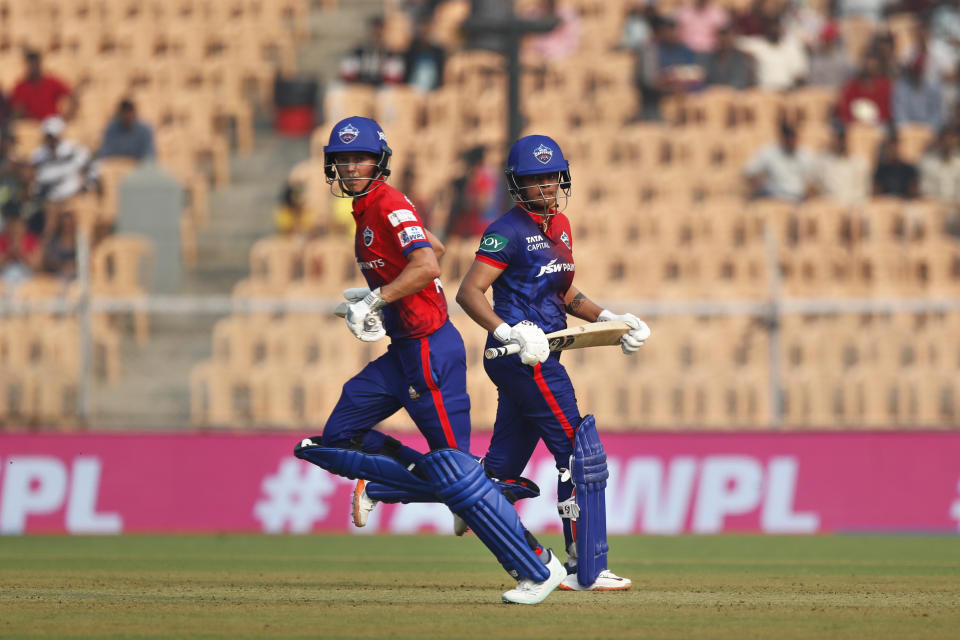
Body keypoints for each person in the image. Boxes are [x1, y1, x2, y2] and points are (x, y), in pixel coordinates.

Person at [293, 116, 565, 605]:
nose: (351, 168)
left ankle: (538, 567)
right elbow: (431, 246)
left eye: (360, 159)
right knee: (334, 438)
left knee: (457, 473)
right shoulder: (367, 209)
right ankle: (423, 484)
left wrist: (377, 301)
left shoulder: (389, 203)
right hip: (402, 351)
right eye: (342, 161)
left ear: (380, 163)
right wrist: (380, 293)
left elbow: (429, 264)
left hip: (430, 351)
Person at [455, 134, 651, 592]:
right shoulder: (507, 230)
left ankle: (449, 496)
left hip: (540, 354)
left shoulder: (560, 225)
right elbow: (468, 292)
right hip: (522, 358)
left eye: (549, 176)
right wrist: (508, 331)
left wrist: (609, 317)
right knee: (578, 455)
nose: (543, 186)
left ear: (562, 178)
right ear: (516, 184)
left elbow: (561, 294)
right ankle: (587, 567)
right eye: (532, 179)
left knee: (499, 471)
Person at [743, 121, 819, 201]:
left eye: (793, 138)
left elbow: (814, 179)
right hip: (771, 196)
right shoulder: (769, 151)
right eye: (788, 138)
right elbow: (749, 171)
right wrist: (757, 183)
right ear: (782, 138)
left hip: (796, 197)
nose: (791, 141)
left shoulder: (805, 155)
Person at [337, 16, 405, 86]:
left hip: (381, 90)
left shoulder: (392, 55)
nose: (375, 35)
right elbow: (346, 76)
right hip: (359, 88)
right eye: (373, 31)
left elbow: (393, 81)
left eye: (379, 32)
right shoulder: (357, 53)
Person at [9, 50, 76, 121]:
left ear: (39, 64)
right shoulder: (21, 86)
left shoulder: (51, 82)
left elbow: (72, 95)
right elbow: (14, 108)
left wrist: (68, 116)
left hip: (51, 122)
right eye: (30, 65)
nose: (33, 68)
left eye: (35, 64)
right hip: (31, 125)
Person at [873, 133, 919, 198]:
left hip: (905, 203)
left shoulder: (909, 169)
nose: (893, 151)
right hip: (885, 202)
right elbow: (876, 193)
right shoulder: (881, 169)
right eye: (890, 149)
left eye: (895, 148)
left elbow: (914, 192)